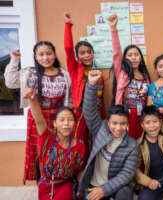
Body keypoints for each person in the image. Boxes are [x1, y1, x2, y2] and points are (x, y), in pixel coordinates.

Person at [4, 42, 72, 184]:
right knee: (41, 153)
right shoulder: (30, 73)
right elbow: (10, 82)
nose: (45, 57)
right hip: (37, 119)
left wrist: (68, 118)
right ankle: (42, 186)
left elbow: (69, 99)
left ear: (54, 54)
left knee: (57, 152)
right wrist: (14, 61)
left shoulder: (63, 74)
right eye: (41, 54)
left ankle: (58, 185)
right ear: (35, 56)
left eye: (49, 53)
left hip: (58, 120)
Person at [77, 69, 138, 200]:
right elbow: (89, 110)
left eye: (123, 124)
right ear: (108, 122)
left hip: (114, 186)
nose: (118, 128)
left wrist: (104, 190)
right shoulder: (100, 129)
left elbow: (127, 174)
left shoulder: (132, 145)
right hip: (94, 184)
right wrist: (92, 85)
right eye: (114, 123)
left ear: (127, 124)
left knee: (125, 193)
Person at [23, 87, 85, 200]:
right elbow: (39, 120)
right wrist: (32, 100)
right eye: (62, 120)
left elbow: (79, 171)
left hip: (66, 185)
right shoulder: (47, 138)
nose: (66, 123)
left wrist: (81, 189)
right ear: (55, 123)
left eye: (70, 120)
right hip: (46, 185)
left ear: (74, 123)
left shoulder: (79, 146)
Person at [64, 12, 105, 150]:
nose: (87, 55)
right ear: (77, 56)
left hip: (97, 112)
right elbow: (68, 49)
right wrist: (68, 25)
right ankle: (80, 171)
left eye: (89, 51)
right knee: (79, 142)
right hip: (80, 112)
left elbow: (101, 96)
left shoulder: (98, 72)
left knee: (96, 143)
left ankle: (94, 170)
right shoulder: (75, 69)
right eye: (82, 53)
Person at [109, 14, 151, 139]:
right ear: (125, 58)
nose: (133, 57)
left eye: (136, 55)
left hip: (142, 116)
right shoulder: (122, 73)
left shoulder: (145, 76)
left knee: (141, 144)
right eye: (130, 55)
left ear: (141, 58)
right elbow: (116, 53)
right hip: (126, 114)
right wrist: (113, 29)